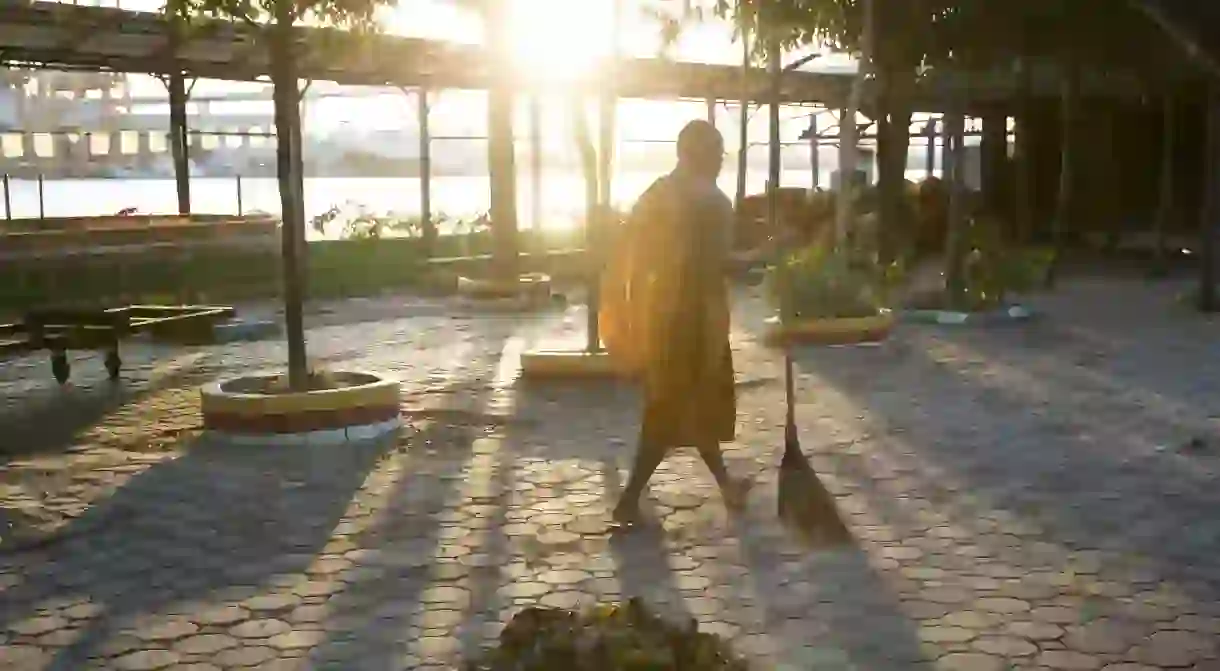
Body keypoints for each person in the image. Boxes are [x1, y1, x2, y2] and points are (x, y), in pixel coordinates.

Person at [600, 119, 748, 527]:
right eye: (718, 154)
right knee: (669, 411)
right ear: (704, 156)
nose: (720, 162)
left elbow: (629, 256)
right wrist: (765, 253)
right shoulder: (714, 204)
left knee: (693, 406)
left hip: (659, 313)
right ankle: (629, 500)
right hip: (697, 322)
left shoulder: (656, 194)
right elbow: (720, 264)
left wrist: (629, 314)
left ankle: (727, 485)